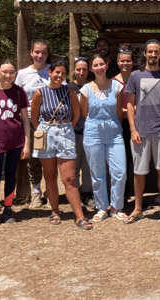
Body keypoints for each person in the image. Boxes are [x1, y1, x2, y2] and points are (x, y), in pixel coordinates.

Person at [31, 58, 91, 230]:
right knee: (49, 176)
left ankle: (79, 215)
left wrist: (66, 129)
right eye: (57, 72)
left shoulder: (69, 92)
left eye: (63, 73)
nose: (59, 76)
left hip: (65, 132)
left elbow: (76, 114)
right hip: (46, 133)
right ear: (50, 72)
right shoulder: (40, 93)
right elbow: (34, 117)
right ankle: (55, 210)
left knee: (69, 178)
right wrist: (42, 131)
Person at [125, 40, 160, 223]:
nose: (153, 55)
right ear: (144, 53)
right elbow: (129, 104)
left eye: (156, 52)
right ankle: (138, 208)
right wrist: (132, 129)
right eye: (150, 51)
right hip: (141, 131)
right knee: (139, 172)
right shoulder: (135, 75)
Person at [0, 60, 30, 225]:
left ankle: (8, 208)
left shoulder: (19, 92)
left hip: (15, 141)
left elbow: (24, 118)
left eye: (11, 72)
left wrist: (27, 142)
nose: (8, 75)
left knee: (11, 176)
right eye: (4, 72)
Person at [80, 54, 127, 222]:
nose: (99, 67)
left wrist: (114, 125)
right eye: (95, 65)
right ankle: (101, 207)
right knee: (97, 173)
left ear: (107, 65)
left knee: (119, 171)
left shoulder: (117, 87)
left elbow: (119, 112)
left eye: (102, 64)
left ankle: (116, 206)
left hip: (114, 133)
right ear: (91, 68)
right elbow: (84, 113)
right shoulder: (86, 89)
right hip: (93, 132)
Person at [14, 39, 51, 208]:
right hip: (29, 121)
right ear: (31, 53)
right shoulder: (22, 74)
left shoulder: (53, 71)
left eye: (43, 52)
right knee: (33, 158)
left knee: (51, 157)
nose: (40, 55)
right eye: (37, 52)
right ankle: (36, 192)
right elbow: (15, 96)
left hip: (50, 121)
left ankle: (52, 191)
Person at [68, 56, 94, 211]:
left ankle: (88, 194)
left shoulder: (93, 87)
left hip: (90, 132)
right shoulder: (68, 88)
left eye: (84, 69)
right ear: (74, 71)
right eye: (79, 69)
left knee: (88, 166)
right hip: (73, 132)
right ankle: (76, 196)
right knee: (74, 166)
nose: (82, 72)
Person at [113, 45, 136, 199]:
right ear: (118, 62)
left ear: (132, 62)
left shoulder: (137, 79)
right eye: (122, 61)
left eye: (128, 61)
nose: (125, 63)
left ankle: (137, 194)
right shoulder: (113, 82)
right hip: (119, 125)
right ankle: (124, 193)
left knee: (136, 160)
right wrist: (128, 111)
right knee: (122, 159)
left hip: (137, 125)